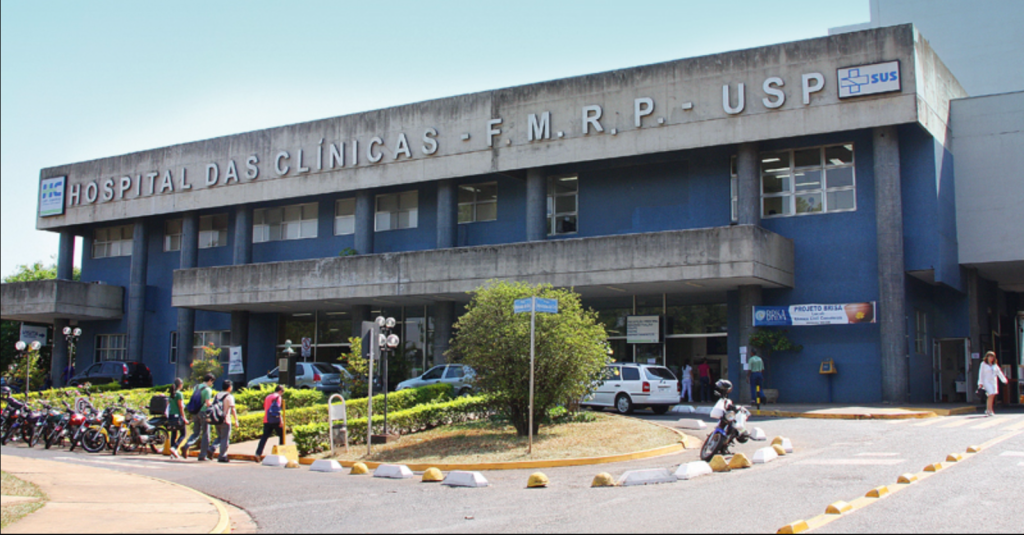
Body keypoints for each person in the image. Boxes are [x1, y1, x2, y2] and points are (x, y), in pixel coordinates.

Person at [183, 373, 216, 462]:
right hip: (203, 413)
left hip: (195, 412)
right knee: (206, 434)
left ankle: (187, 445)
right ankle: (203, 455)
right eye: (212, 382)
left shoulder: (197, 387)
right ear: (210, 380)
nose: (212, 384)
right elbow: (208, 403)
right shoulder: (208, 390)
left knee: (196, 432)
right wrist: (213, 404)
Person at [211, 380, 239, 464]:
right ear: (229, 387)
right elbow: (233, 409)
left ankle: (211, 448)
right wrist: (236, 420)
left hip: (217, 419)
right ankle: (222, 456)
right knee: (224, 439)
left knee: (219, 437)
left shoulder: (217, 395)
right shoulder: (229, 396)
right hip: (225, 420)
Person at [255, 386, 286, 459]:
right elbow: (277, 410)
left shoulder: (268, 397)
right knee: (282, 435)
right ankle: (281, 453)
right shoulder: (278, 397)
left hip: (266, 419)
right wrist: (281, 421)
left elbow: (265, 407)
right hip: (275, 420)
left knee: (264, 437)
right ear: (280, 391)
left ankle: (258, 453)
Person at [978, 352, 1008, 417]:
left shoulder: (995, 365)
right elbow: (981, 373)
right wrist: (980, 383)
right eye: (990, 356)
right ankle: (989, 410)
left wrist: (1004, 380)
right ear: (987, 357)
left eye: (992, 357)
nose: (991, 358)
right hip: (986, 381)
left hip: (993, 382)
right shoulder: (983, 364)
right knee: (991, 394)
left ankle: (988, 409)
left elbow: (999, 373)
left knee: (992, 395)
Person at [167, 379, 190, 461]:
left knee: (173, 433)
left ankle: (172, 453)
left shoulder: (171, 394)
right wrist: (184, 418)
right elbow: (181, 407)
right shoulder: (179, 394)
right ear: (180, 385)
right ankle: (174, 447)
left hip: (171, 416)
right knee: (183, 434)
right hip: (178, 417)